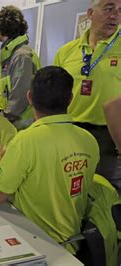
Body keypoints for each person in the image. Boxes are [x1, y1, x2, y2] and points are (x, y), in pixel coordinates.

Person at [0, 66, 100, 254]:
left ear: (29, 97)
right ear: (70, 99)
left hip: (34, 244)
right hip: (72, 244)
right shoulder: (89, 140)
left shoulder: (26, 140)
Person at [53, 0, 120, 179]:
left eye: (120, 10)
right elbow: (54, 95)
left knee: (106, 192)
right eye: (109, 8)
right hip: (70, 131)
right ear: (90, 13)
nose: (115, 15)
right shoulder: (66, 52)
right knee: (69, 186)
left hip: (109, 139)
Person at [0, 6, 41, 130]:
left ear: (2, 27)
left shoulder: (21, 56)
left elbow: (20, 95)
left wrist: (4, 117)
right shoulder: (11, 53)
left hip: (22, 123)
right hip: (16, 121)